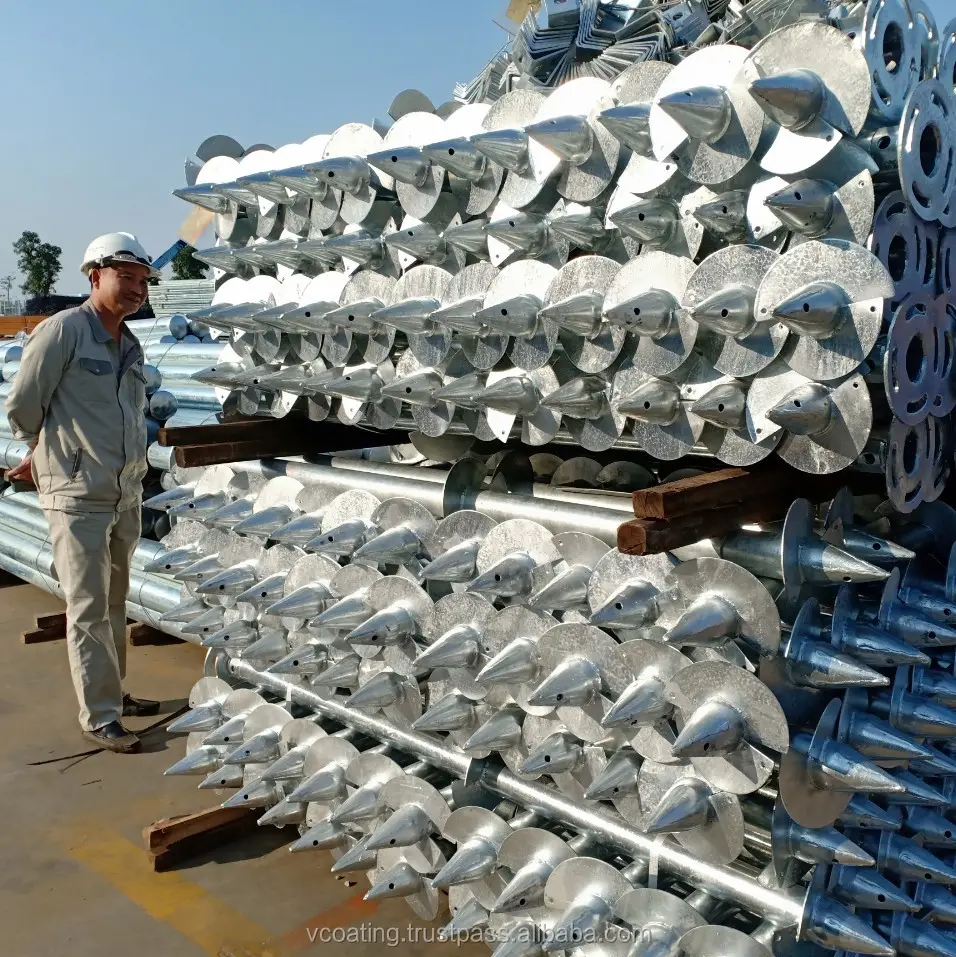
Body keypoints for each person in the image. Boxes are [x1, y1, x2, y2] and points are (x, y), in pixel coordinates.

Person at [5, 232, 163, 753]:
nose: (137, 289)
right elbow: (24, 405)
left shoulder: (131, 344)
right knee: (88, 605)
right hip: (77, 494)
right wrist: (45, 456)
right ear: (95, 275)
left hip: (122, 494)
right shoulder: (63, 333)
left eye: (143, 281)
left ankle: (113, 695)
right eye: (127, 277)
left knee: (115, 601)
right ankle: (98, 716)